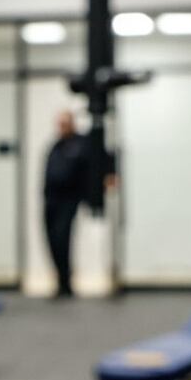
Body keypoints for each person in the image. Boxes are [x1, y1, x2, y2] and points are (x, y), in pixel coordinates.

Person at [41, 109, 109, 298]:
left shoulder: (81, 144)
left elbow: (94, 167)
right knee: (52, 242)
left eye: (64, 123)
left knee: (62, 240)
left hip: (68, 201)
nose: (61, 128)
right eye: (59, 124)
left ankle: (66, 283)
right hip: (50, 200)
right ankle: (61, 281)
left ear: (71, 124)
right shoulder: (55, 145)